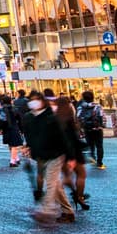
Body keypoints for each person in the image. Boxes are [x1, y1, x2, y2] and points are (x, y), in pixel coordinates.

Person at [22, 90, 74, 225]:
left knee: (51, 182)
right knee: (55, 184)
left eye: (36, 99)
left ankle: (46, 210)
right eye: (31, 100)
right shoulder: (28, 117)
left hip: (55, 154)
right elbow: (28, 135)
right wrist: (27, 147)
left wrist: (71, 156)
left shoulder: (51, 116)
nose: (34, 102)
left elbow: (63, 138)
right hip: (40, 155)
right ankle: (68, 212)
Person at [77, 90, 106, 168]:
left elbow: (78, 118)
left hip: (87, 129)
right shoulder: (98, 106)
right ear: (92, 97)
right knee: (99, 146)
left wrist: (80, 129)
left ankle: (92, 157)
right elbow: (102, 116)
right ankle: (99, 162)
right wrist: (102, 125)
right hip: (97, 129)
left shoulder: (81, 107)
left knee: (90, 144)